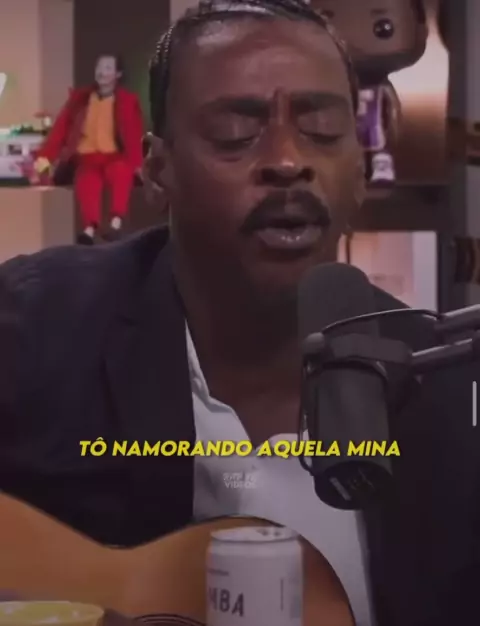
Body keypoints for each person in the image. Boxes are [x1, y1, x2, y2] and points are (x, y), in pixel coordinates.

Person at [0, 1, 478, 625]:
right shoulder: (31, 327)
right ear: (157, 169)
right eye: (235, 132)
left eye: (322, 130)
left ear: (360, 169)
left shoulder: (445, 385)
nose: (288, 161)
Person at [34, 54, 144, 244]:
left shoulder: (127, 101)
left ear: (118, 74)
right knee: (86, 182)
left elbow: (134, 135)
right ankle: (89, 229)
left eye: (108, 68)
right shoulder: (80, 99)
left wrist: (138, 165)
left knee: (121, 173)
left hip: (114, 157)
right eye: (99, 67)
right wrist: (45, 158)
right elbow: (60, 129)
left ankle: (116, 223)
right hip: (87, 158)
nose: (101, 72)